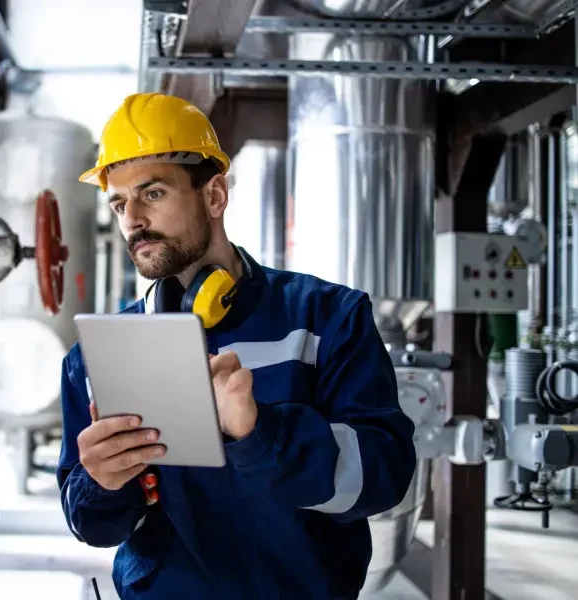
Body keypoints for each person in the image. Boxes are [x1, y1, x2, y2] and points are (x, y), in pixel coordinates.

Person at [55, 92, 417, 599]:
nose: (132, 219)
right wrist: (100, 483)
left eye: (152, 193)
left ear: (215, 195)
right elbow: (95, 527)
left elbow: (385, 475)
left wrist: (260, 432)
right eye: (119, 202)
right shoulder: (94, 359)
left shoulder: (327, 318)